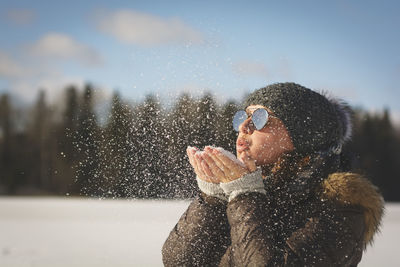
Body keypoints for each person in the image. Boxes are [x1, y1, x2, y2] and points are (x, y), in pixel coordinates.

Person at [162, 83, 384, 266]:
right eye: (244, 116)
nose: (244, 127)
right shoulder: (249, 193)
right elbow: (180, 262)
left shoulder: (341, 211)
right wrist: (213, 199)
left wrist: (245, 195)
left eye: (261, 118)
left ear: (303, 137)